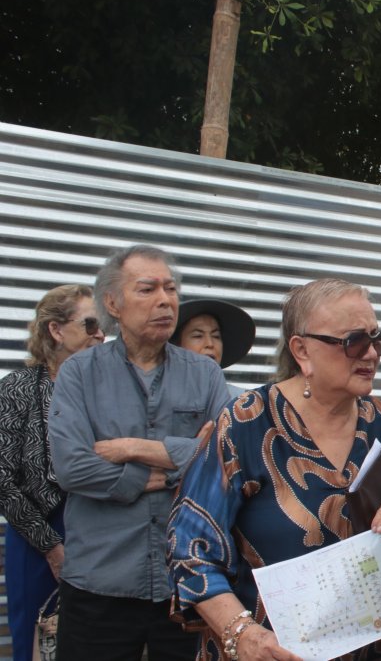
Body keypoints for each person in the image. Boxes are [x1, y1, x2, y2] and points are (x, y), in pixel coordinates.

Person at [168, 277, 381, 660]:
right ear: (301, 350)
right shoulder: (246, 423)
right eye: (354, 341)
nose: (371, 354)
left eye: (378, 339)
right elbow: (191, 550)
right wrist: (242, 634)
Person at [48, 244, 230, 660]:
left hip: (187, 581)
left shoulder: (204, 374)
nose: (165, 300)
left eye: (170, 289)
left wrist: (136, 448)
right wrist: (175, 467)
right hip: (99, 580)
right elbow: (72, 467)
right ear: (112, 303)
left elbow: (225, 456)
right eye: (147, 289)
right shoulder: (80, 372)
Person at [0, 285, 104, 661]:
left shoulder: (109, 389)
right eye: (90, 323)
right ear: (56, 331)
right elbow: (3, 479)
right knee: (36, 638)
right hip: (36, 534)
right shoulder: (19, 388)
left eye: (103, 324)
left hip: (99, 533)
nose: (100, 333)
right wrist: (50, 545)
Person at [171, 298, 257, 399]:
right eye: (198, 336)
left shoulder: (242, 403)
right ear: (175, 347)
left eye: (216, 336)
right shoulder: (158, 400)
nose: (210, 344)